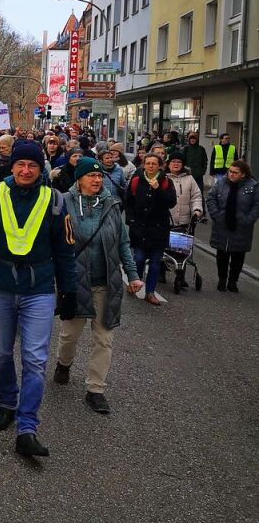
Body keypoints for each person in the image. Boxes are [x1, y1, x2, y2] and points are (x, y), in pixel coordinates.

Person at [0, 140, 77, 458]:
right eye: (21, 164)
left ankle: (27, 427)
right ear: (12, 166)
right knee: (2, 354)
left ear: (40, 167)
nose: (26, 170)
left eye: (32, 164)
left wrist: (68, 290)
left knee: (35, 360)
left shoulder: (55, 200)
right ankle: (7, 402)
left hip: (39, 289)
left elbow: (65, 251)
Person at [54, 158, 143, 415]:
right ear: (79, 179)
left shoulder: (112, 205)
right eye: (91, 176)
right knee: (70, 335)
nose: (97, 180)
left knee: (104, 339)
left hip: (107, 283)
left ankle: (96, 389)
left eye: (100, 176)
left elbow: (123, 243)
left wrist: (133, 275)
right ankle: (63, 363)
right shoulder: (64, 202)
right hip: (75, 283)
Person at [126, 154, 176, 306]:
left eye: (154, 163)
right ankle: (135, 283)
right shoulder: (136, 180)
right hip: (140, 227)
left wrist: (158, 189)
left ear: (160, 165)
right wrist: (131, 220)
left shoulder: (166, 182)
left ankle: (150, 292)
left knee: (155, 263)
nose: (151, 166)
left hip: (159, 229)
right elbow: (128, 201)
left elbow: (171, 202)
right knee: (139, 259)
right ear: (144, 165)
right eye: (148, 163)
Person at [206, 159, 259, 292]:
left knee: (238, 256)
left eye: (235, 172)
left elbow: (257, 205)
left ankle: (233, 281)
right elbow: (211, 198)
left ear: (243, 174)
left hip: (242, 226)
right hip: (222, 224)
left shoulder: (253, 186)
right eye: (230, 171)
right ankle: (222, 279)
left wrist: (248, 219)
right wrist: (216, 215)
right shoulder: (221, 183)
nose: (231, 174)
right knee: (222, 254)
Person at [182, 132, 208, 207]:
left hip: (198, 175)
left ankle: (201, 211)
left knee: (199, 193)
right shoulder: (186, 149)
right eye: (191, 139)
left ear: (197, 139)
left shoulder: (201, 149)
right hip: (188, 174)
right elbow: (182, 160)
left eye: (194, 139)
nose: (192, 140)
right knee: (186, 193)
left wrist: (203, 171)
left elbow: (205, 161)